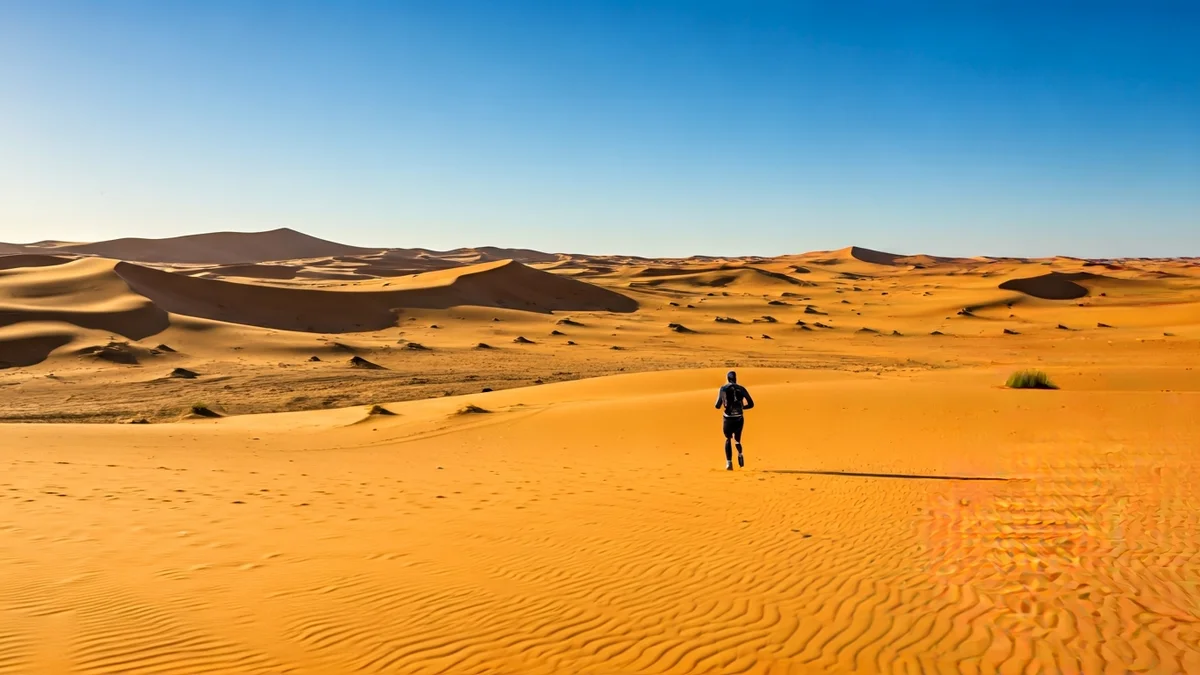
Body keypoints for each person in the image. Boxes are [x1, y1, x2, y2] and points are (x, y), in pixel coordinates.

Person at [714, 370, 754, 470]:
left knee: (728, 439)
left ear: (727, 378)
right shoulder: (741, 388)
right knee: (737, 440)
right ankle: (740, 453)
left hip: (728, 418)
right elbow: (751, 404)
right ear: (736, 378)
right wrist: (742, 407)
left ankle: (729, 463)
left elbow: (717, 406)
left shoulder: (724, 389)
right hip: (739, 418)